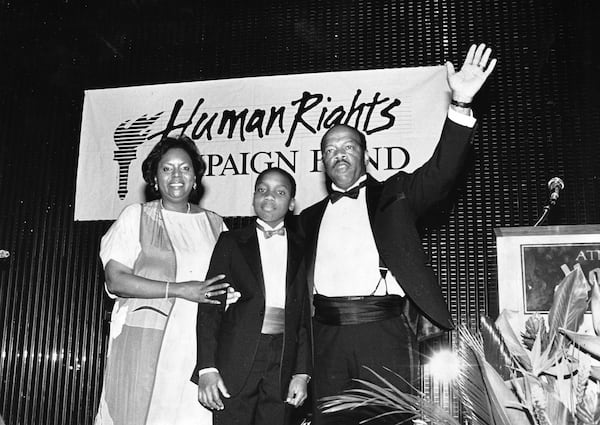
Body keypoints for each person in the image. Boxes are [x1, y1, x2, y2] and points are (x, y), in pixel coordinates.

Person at [298, 43, 497, 424]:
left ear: (365, 155)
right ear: (322, 162)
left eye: (348, 147)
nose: (338, 154)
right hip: (325, 337)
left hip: (383, 332)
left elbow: (441, 172)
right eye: (330, 149)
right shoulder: (307, 218)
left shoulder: (396, 194)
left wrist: (461, 102)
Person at [95, 134, 240, 425]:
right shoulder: (135, 216)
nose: (176, 176)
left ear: (196, 179)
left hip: (198, 347)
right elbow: (116, 280)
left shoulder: (216, 225)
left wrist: (231, 295)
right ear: (155, 179)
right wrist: (180, 290)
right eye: (167, 168)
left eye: (185, 168)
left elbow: (227, 282)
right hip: (144, 343)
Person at [193, 167, 312, 425]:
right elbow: (210, 307)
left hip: (283, 360)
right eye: (262, 190)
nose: (269, 196)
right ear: (253, 198)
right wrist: (207, 368)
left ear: (291, 203)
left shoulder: (302, 247)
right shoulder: (230, 242)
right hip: (236, 356)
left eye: (280, 192)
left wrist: (302, 372)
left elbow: (303, 316)